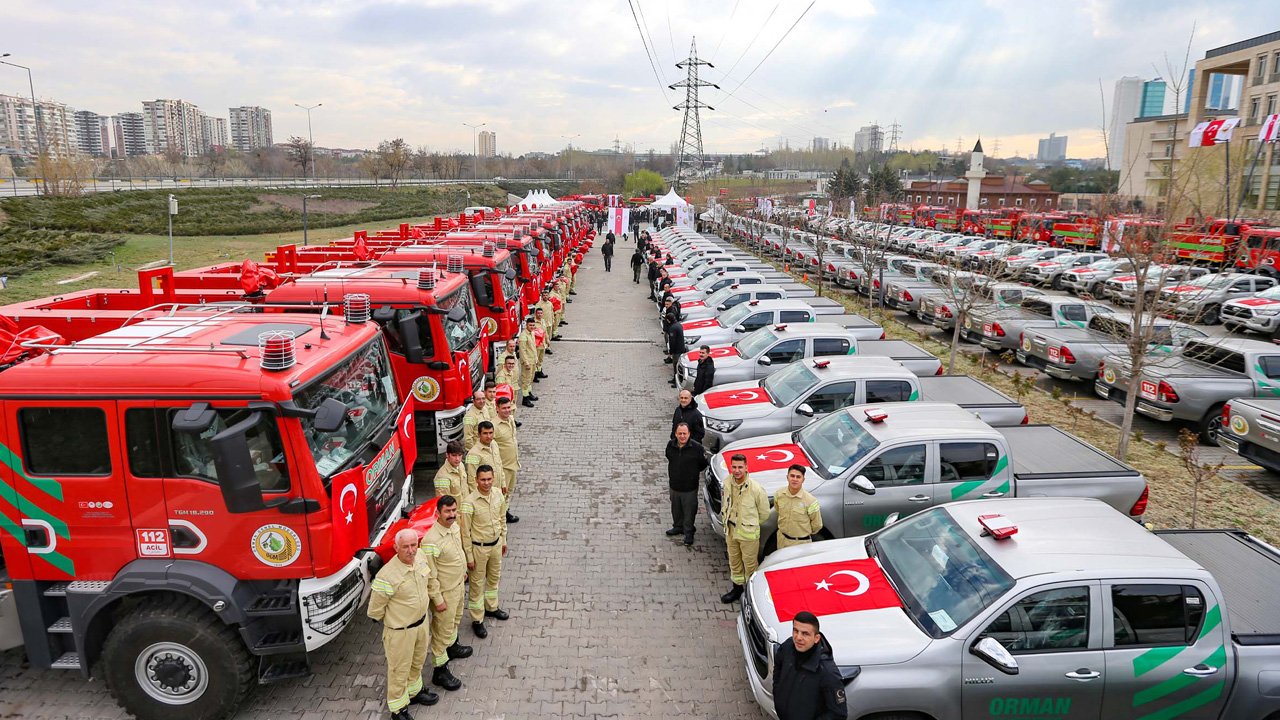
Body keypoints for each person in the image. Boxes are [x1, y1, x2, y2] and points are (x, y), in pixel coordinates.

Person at [368, 529, 437, 719]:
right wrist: (398, 620)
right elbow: (375, 610)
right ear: (396, 547)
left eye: (414, 545)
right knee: (399, 671)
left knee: (417, 662)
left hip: (421, 625)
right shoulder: (387, 575)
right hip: (400, 633)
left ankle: (414, 693)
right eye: (405, 546)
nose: (411, 550)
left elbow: (429, 582)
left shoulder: (421, 557)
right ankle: (398, 709)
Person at [420, 495, 471, 692]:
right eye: (447, 511)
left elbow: (458, 551)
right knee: (441, 632)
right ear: (438, 513)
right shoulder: (431, 541)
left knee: (455, 620)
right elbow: (431, 576)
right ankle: (440, 671)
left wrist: (464, 570)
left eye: (453, 510)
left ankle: (453, 647)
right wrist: (438, 600)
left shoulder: (454, 527)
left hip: (458, 585)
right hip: (445, 593)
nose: (451, 515)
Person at [462, 465, 509, 639]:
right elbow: (465, 532)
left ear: (493, 478)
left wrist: (504, 539)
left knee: (494, 578)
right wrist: (469, 556)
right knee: (476, 585)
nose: (487, 483)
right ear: (476, 480)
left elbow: (502, 518)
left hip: (496, 545)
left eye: (489, 479)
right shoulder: (469, 503)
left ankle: (492, 607)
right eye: (483, 479)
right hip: (478, 549)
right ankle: (477, 620)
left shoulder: (498, 495)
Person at [772, 612, 847, 720]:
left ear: (816, 638)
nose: (798, 637)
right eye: (795, 631)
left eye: (805, 633)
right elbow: (778, 664)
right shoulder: (788, 646)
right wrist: (777, 691)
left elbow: (838, 714)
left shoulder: (827, 672)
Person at [720, 453, 769, 604]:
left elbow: (764, 513)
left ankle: (751, 595)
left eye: (740, 467)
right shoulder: (727, 482)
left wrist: (749, 523)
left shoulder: (755, 489)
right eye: (734, 467)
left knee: (750, 565)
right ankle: (737, 589)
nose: (737, 470)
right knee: (734, 561)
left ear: (746, 468)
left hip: (748, 534)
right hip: (731, 531)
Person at [665, 422, 707, 546]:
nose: (682, 436)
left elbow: (703, 464)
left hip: (689, 488)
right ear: (676, 434)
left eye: (684, 433)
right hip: (674, 486)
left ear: (689, 434)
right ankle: (678, 527)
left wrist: (691, 473)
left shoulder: (697, 448)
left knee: (689, 511)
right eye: (680, 433)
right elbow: (669, 456)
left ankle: (688, 532)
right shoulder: (670, 445)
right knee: (676, 508)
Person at [774, 465, 823, 550]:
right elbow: (778, 510)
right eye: (792, 476)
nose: (795, 479)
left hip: (801, 544)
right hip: (782, 540)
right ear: (787, 477)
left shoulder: (810, 501)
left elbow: (817, 525)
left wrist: (803, 533)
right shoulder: (779, 494)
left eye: (798, 477)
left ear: (803, 480)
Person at [491, 395, 520, 524]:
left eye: (509, 407)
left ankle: (505, 512)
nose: (507, 410)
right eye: (504, 408)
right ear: (497, 409)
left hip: (513, 464)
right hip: (503, 467)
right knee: (501, 494)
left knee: (509, 492)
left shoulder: (511, 420)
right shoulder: (493, 426)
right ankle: (499, 518)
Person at [465, 421, 506, 495]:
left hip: (497, 491)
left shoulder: (494, 444)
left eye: (490, 433)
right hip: (485, 494)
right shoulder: (473, 454)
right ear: (479, 434)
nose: (489, 436)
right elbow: (472, 480)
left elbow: (499, 465)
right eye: (485, 433)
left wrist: (503, 483)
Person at [518, 317, 539, 407]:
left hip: (533, 360)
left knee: (530, 378)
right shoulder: (523, 336)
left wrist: (536, 359)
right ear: (526, 325)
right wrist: (526, 362)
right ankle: (525, 398)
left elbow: (533, 348)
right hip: (528, 362)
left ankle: (529, 393)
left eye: (533, 325)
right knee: (526, 380)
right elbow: (522, 351)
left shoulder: (532, 333)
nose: (532, 327)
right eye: (530, 325)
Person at [666, 318, 686, 388]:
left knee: (676, 366)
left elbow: (672, 342)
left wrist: (671, 352)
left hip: (677, 351)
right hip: (681, 349)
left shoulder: (673, 328)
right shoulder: (678, 325)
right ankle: (675, 379)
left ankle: (676, 382)